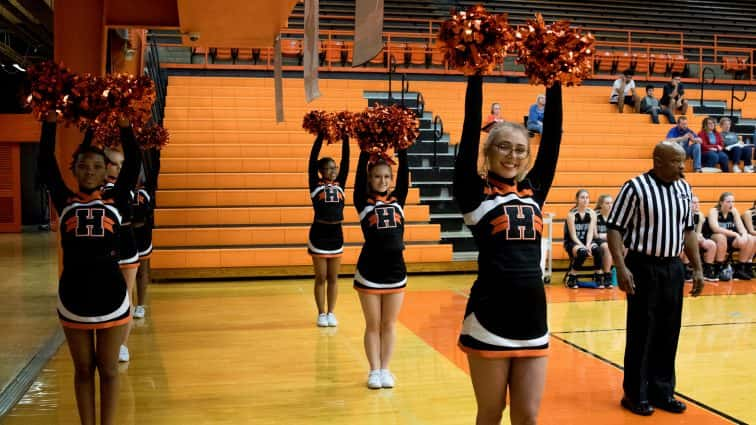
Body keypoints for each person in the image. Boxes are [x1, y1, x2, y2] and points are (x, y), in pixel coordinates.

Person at [454, 74, 562, 425]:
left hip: (534, 317)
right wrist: (476, 71)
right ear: (488, 152)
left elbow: (554, 139)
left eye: (520, 149)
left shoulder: (534, 191)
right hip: (490, 316)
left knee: (528, 416)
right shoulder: (474, 193)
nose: (512, 155)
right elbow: (471, 129)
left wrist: (555, 79)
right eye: (503, 146)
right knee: (491, 412)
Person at [38, 111, 138, 425]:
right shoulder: (65, 200)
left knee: (108, 370)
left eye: (97, 166)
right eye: (83, 165)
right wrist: (50, 122)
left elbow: (133, 162)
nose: (90, 171)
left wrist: (125, 126)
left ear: (105, 171)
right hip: (74, 297)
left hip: (111, 296)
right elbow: (45, 161)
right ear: (75, 169)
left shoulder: (116, 201)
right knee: (83, 370)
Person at [607, 141, 703, 417]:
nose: (681, 167)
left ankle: (662, 391)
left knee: (669, 330)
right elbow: (614, 229)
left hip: (672, 267)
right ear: (658, 161)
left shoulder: (684, 188)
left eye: (683, 161)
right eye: (676, 162)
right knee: (642, 331)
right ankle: (635, 394)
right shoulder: (635, 187)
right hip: (642, 265)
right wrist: (621, 267)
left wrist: (696, 268)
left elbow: (688, 231)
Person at [353, 144, 408, 389]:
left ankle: (386, 368)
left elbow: (405, 173)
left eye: (387, 176)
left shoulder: (399, 201)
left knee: (389, 324)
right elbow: (356, 175)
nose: (382, 180)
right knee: (373, 325)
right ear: (369, 178)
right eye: (377, 176)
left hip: (396, 272)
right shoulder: (362, 202)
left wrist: (403, 147)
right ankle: (373, 370)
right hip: (370, 272)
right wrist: (366, 146)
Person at [102, 147, 140, 363]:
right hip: (104, 245)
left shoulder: (124, 188)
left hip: (125, 244)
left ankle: (122, 345)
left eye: (121, 165)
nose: (117, 168)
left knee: (126, 296)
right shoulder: (94, 188)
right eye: (114, 164)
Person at [308, 133, 350, 327]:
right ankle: (321, 313)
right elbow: (311, 159)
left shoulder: (341, 183)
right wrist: (320, 136)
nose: (333, 171)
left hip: (336, 234)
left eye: (335, 167)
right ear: (321, 170)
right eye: (329, 168)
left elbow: (347, 160)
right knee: (321, 277)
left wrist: (346, 138)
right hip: (319, 233)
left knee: (333, 277)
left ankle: (331, 312)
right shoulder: (315, 184)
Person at [563, 190, 612, 288]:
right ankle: (572, 276)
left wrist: (588, 244)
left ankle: (598, 275)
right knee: (582, 252)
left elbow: (590, 233)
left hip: (587, 241)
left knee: (597, 249)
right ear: (577, 200)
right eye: (582, 197)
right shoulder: (571, 214)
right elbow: (573, 236)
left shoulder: (591, 213)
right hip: (573, 242)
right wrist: (584, 247)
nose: (585, 200)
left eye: (587, 198)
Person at [132, 147, 160, 320]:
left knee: (142, 271)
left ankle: (140, 305)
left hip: (142, 232)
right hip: (126, 233)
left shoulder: (146, 190)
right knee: (125, 271)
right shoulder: (118, 190)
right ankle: (128, 302)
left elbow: (155, 168)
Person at [702, 192, 754, 280]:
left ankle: (740, 268)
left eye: (733, 201)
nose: (731, 204)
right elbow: (715, 229)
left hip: (730, 238)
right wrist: (735, 234)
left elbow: (741, 227)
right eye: (728, 201)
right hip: (713, 237)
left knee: (750, 238)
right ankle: (719, 268)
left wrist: (744, 235)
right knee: (721, 237)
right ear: (721, 202)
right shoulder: (714, 211)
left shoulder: (734, 211)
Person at [680, 196, 719, 282]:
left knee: (711, 244)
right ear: (688, 204)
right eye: (694, 203)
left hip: (694, 238)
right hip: (681, 239)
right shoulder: (683, 214)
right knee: (690, 242)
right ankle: (686, 270)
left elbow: (698, 232)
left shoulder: (700, 215)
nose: (697, 205)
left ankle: (707, 270)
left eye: (698, 203)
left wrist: (699, 237)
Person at [594, 194, 616, 284]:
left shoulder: (614, 216)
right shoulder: (595, 215)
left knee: (625, 247)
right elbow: (595, 235)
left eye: (611, 203)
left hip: (611, 239)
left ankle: (618, 271)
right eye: (607, 203)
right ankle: (607, 274)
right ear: (601, 205)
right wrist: (605, 236)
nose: (610, 205)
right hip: (597, 240)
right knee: (607, 247)